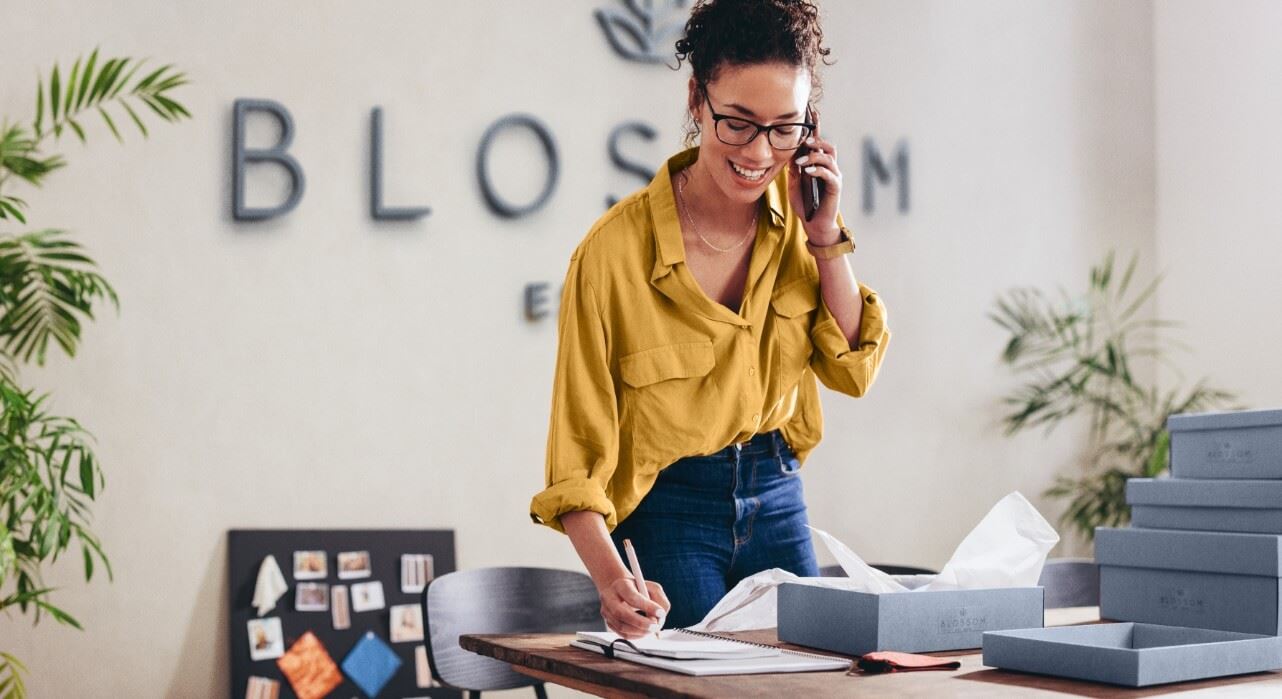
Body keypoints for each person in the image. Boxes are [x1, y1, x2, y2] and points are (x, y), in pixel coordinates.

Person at [530, 0, 890, 637]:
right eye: (738, 123)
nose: (760, 152)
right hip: (670, 509)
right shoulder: (612, 256)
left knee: (812, 681)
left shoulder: (801, 221)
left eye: (786, 128)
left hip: (777, 490)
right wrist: (614, 582)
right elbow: (575, 461)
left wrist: (826, 234)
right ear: (697, 99)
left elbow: (853, 366)